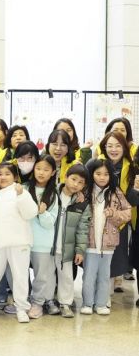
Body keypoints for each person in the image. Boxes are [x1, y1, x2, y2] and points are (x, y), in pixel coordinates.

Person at [0, 162, 38, 323]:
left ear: (15, 176)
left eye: (7, 174)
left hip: (19, 242)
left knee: (20, 276)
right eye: (0, 174)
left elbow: (31, 213)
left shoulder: (21, 191)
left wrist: (21, 196)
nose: (2, 177)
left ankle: (21, 308)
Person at [79, 158, 131, 315]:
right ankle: (88, 303)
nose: (102, 177)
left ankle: (101, 304)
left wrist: (114, 214)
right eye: (98, 173)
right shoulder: (86, 192)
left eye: (106, 174)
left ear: (111, 176)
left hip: (108, 244)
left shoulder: (116, 192)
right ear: (91, 174)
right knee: (88, 276)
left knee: (104, 276)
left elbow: (128, 212)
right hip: (90, 243)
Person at [97, 131, 137, 293]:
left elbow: (134, 198)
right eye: (110, 146)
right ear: (104, 147)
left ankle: (108, 290)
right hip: (100, 216)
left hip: (122, 218)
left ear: (124, 147)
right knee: (98, 252)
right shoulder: (96, 164)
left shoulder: (132, 168)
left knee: (117, 254)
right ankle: (98, 290)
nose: (113, 149)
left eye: (118, 146)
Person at [48, 164, 90, 318]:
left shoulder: (82, 203)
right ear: (66, 176)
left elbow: (82, 229)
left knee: (66, 277)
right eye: (73, 179)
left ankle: (65, 303)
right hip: (48, 246)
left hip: (67, 248)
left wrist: (80, 250)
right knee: (47, 275)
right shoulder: (51, 193)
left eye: (81, 183)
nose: (75, 184)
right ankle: (48, 301)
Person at [24, 155, 60, 319]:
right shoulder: (24, 188)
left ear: (53, 172)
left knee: (41, 276)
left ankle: (37, 303)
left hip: (42, 243)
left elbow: (49, 223)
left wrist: (43, 212)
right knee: (20, 274)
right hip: (23, 240)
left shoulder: (54, 194)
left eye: (46, 169)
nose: (41, 172)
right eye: (38, 168)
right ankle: (22, 301)